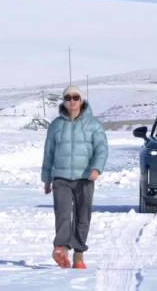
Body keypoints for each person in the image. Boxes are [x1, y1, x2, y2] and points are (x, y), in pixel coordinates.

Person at [41, 85, 108, 269]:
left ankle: (78, 254)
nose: (72, 101)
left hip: (85, 177)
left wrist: (97, 168)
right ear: (64, 101)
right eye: (68, 98)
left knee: (82, 215)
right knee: (62, 213)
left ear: (82, 100)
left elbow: (101, 149)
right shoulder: (56, 125)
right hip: (61, 176)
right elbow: (49, 152)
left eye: (75, 97)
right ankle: (60, 248)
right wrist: (47, 178)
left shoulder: (93, 124)